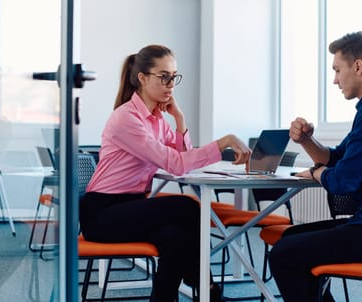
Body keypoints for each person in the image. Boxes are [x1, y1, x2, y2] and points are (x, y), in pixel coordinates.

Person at [79, 44, 251, 302]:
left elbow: (184, 155)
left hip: (130, 208)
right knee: (189, 208)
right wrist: (223, 141)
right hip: (102, 214)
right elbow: (177, 164)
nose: (171, 83)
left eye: (174, 76)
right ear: (142, 78)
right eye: (164, 76)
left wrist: (179, 119)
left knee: (174, 238)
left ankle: (188, 294)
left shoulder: (156, 120)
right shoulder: (127, 119)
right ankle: (208, 290)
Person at [269, 31, 362, 301]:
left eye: (337, 70)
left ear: (358, 66)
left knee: (284, 255)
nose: (335, 80)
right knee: (289, 239)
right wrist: (307, 140)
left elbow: (343, 182)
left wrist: (316, 173)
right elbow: (337, 158)